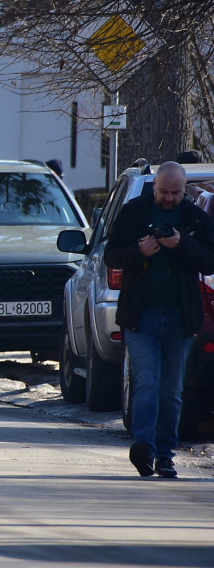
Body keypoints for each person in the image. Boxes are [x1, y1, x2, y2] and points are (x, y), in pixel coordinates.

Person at [105, 161, 214, 478]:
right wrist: (140, 251)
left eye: (176, 193)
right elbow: (111, 255)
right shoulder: (134, 213)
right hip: (141, 316)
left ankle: (165, 455)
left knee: (171, 391)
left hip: (180, 318)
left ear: (184, 191)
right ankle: (143, 447)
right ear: (154, 187)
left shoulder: (194, 218)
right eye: (164, 191)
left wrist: (182, 245)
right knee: (147, 383)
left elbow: (209, 261)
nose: (169, 198)